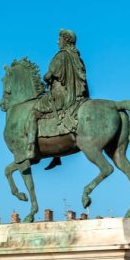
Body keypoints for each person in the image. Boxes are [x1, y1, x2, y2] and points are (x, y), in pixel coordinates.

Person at [30, 29, 89, 169]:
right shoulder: (76, 57)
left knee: (33, 113)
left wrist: (45, 77)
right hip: (75, 96)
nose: (58, 41)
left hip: (60, 96)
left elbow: (49, 75)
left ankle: (30, 149)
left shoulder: (61, 56)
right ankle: (56, 156)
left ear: (65, 40)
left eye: (59, 39)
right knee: (54, 117)